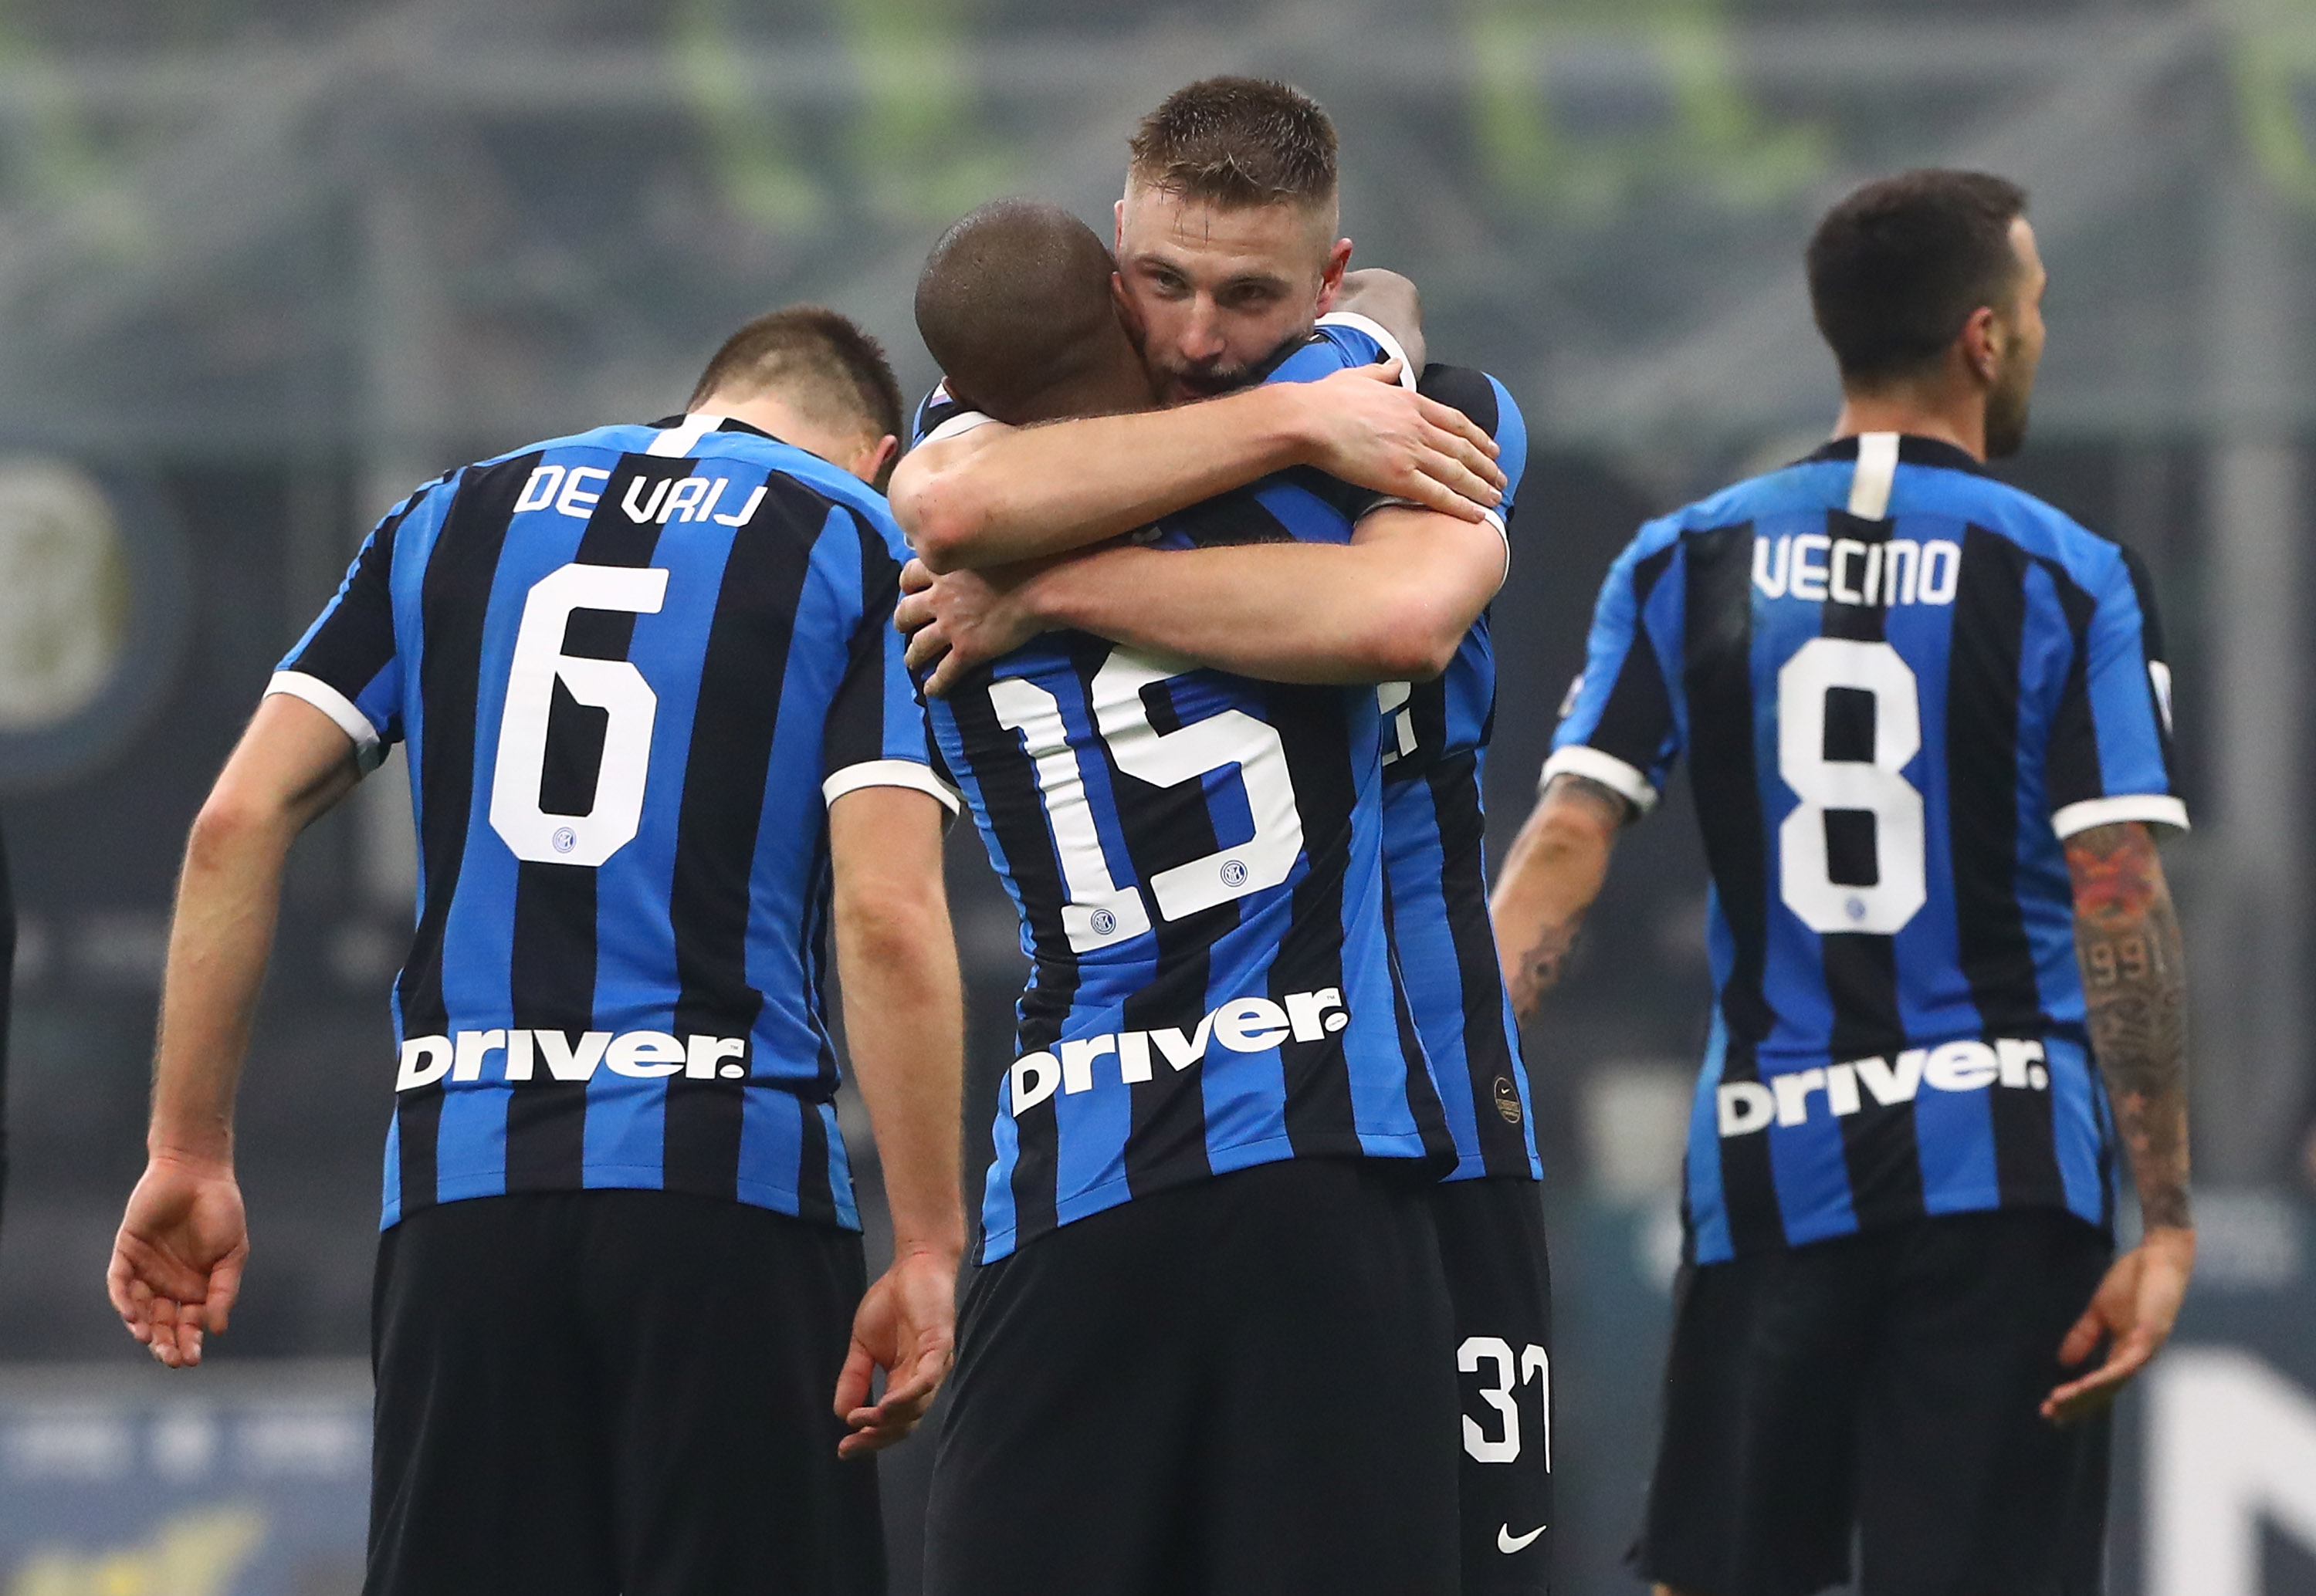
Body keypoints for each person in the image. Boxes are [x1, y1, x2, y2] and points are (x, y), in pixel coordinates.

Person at [106, 307, 967, 1596]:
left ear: (705, 397)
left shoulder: (447, 516)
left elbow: (235, 822)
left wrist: (187, 1152)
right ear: (878, 453)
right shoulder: (862, 538)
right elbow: (886, 915)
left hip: (464, 1199)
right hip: (726, 1188)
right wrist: (929, 1246)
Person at [1491, 169, 2193, 1596]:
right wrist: (2169, 1218)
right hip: (2006, 1167)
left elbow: (1565, 842)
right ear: (1985, 338)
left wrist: (1455, 1116)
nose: (2040, 332)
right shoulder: (2072, 575)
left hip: (1770, 1162)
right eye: (2037, 304)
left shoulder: (1685, 559)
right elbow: (2117, 887)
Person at [897, 79, 1546, 1596]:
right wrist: (1312, 399)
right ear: (1113, 250)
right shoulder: (1364, 411)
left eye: (1248, 297)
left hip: (1417, 1111)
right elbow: (950, 499)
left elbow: (1397, 611)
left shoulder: (1000, 487)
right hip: (1318, 1126)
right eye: (1165, 283)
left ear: (1323, 281)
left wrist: (1046, 592)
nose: (1196, 336)